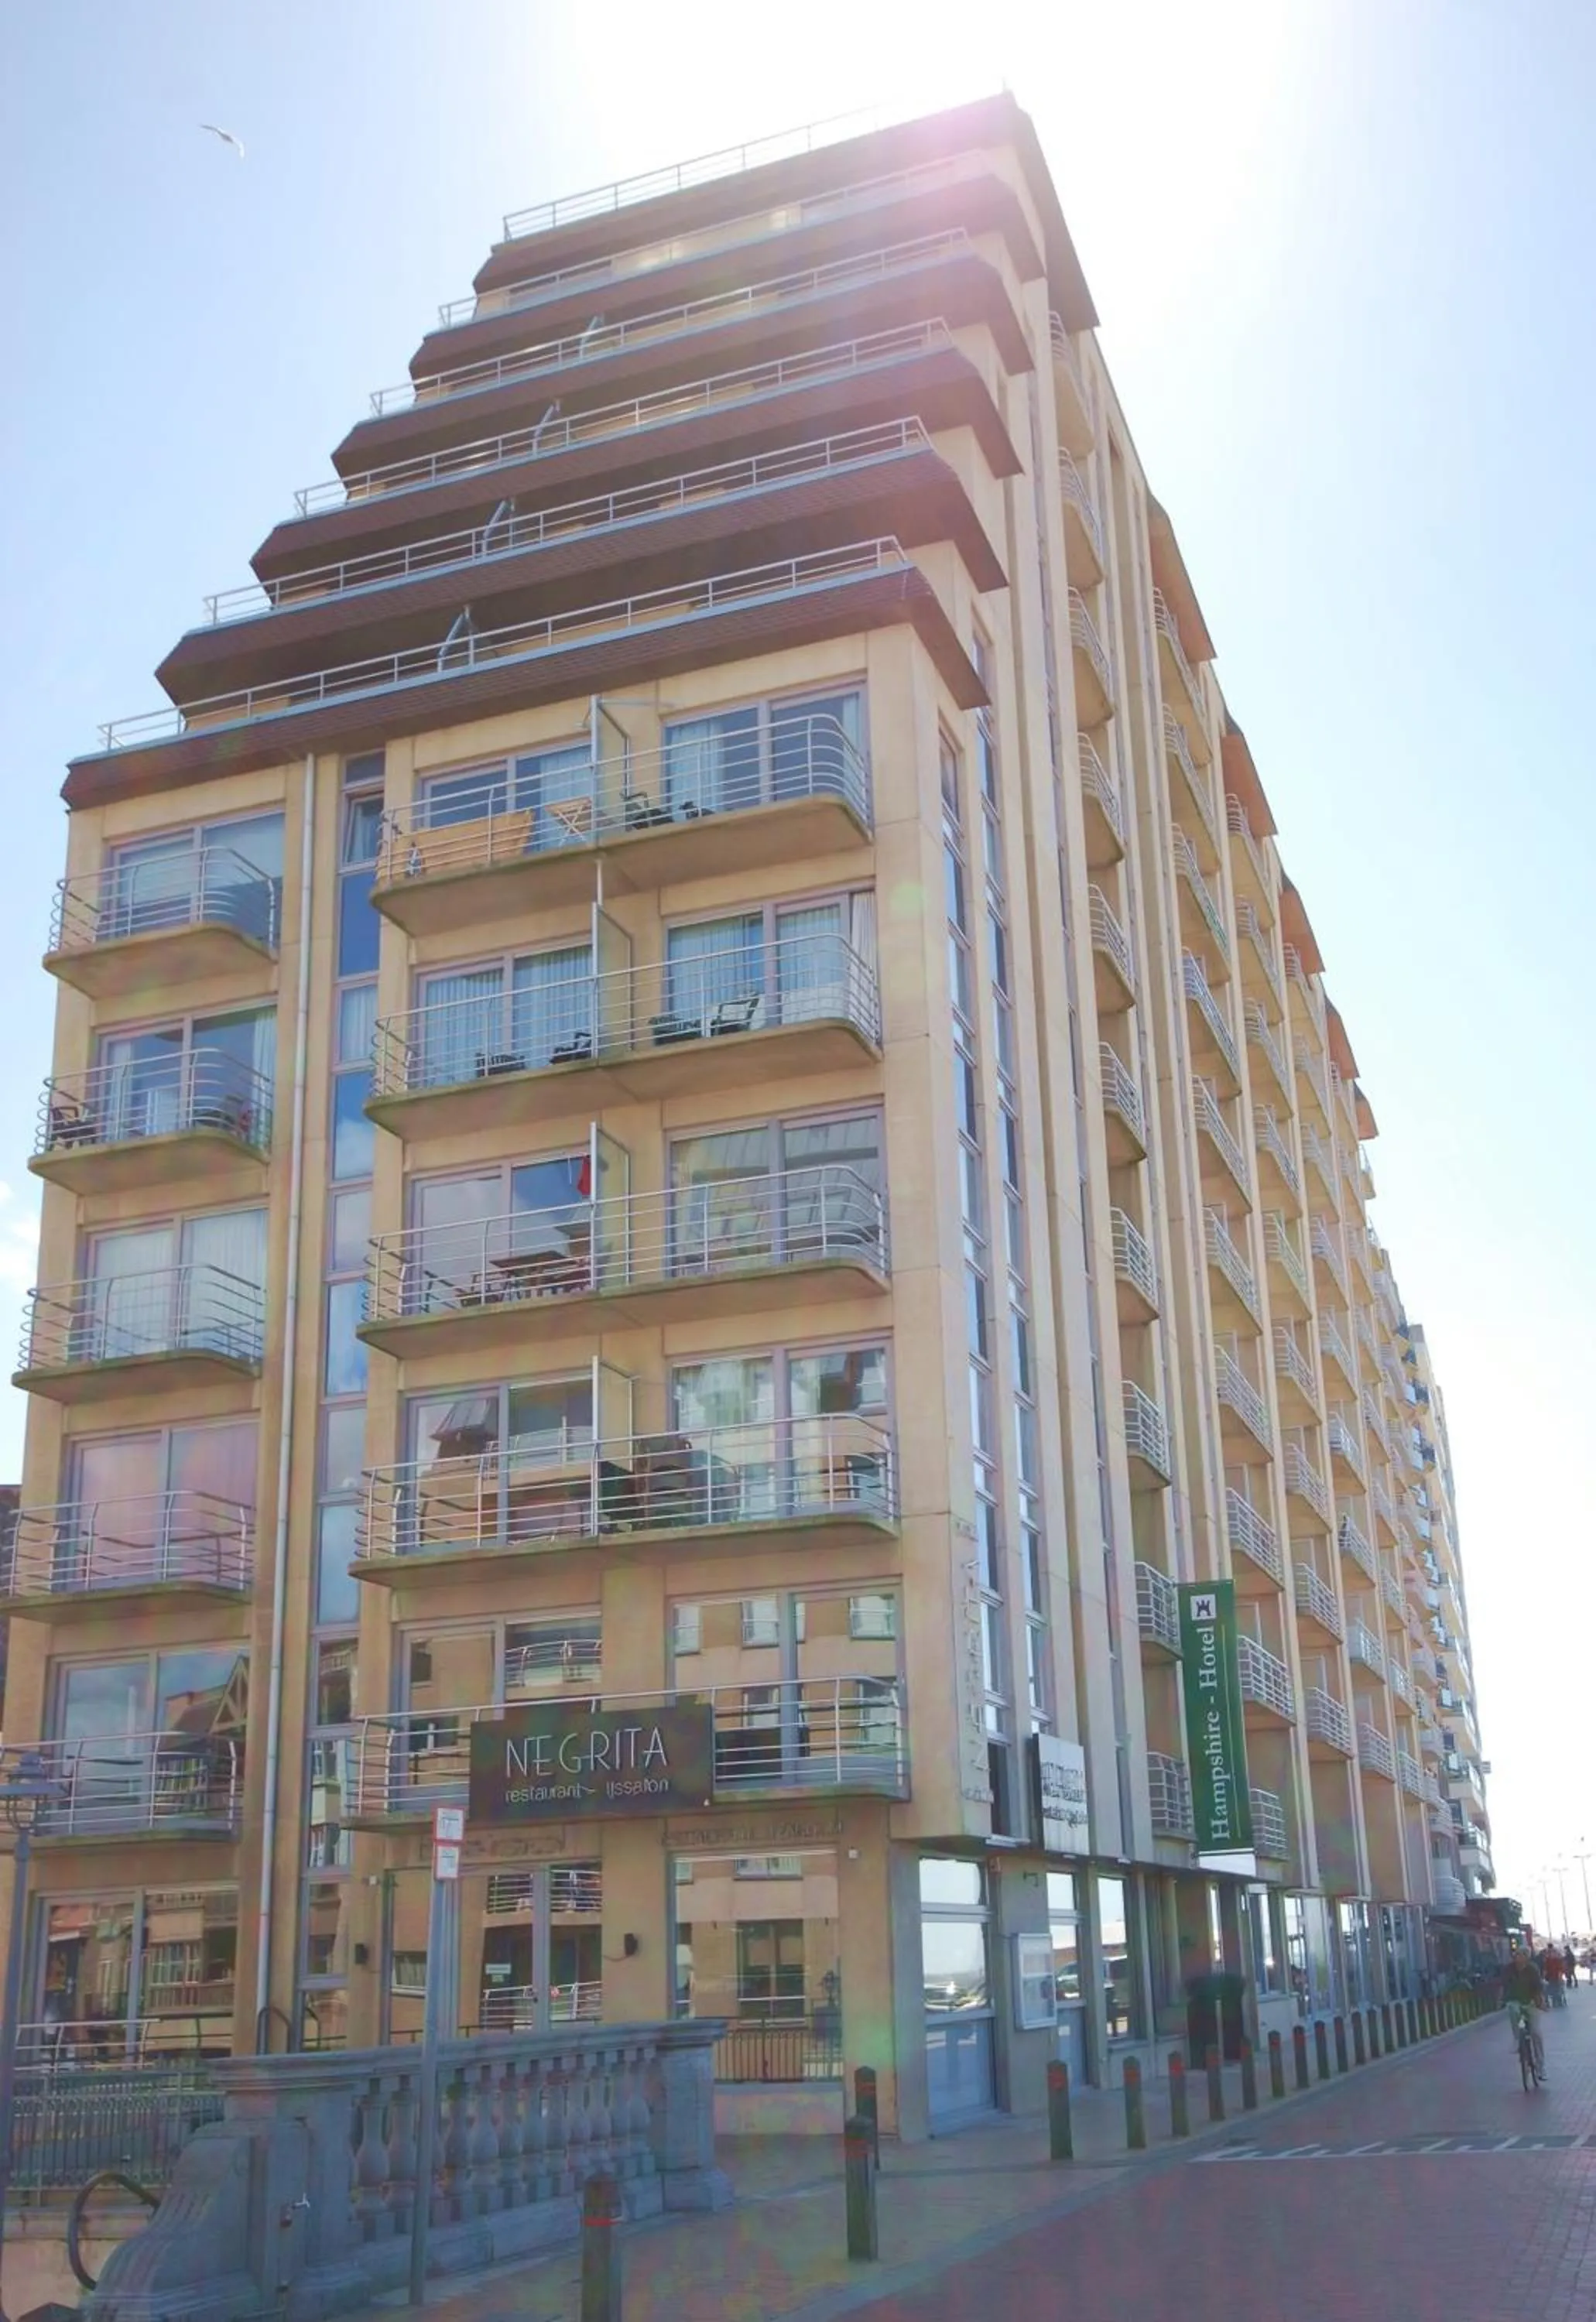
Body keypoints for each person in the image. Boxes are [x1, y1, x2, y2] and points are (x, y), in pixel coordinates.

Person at [1504, 1948, 1549, 2077]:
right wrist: (1503, 1999)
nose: (1518, 1957)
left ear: (1527, 1957)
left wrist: (1540, 2002)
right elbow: (1505, 1985)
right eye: (1516, 1955)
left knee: (1536, 2032)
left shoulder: (1532, 1969)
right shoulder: (1509, 1969)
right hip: (1516, 2002)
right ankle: (1517, 2039)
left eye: (1521, 1955)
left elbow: (1538, 1987)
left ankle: (1541, 2067)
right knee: (1512, 2009)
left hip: (1531, 2002)